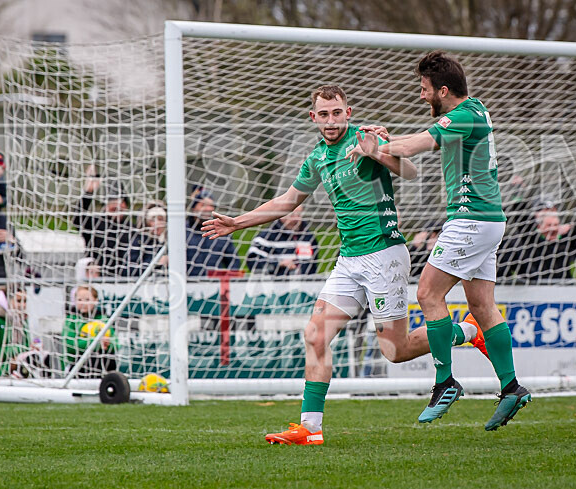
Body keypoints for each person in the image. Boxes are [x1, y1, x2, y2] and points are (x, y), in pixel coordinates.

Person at [203, 85, 487, 445]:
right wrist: (237, 222)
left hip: (384, 254)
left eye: (336, 113)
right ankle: (310, 428)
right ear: (313, 118)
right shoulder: (317, 157)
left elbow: (411, 171)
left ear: (348, 112)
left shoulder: (366, 139)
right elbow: (289, 200)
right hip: (349, 260)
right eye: (323, 114)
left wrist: (379, 152)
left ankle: (466, 331)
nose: (331, 120)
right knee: (315, 334)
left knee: (394, 351)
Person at [356, 51, 530, 430]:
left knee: (428, 295)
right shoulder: (476, 109)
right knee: (482, 306)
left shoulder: (463, 115)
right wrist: (386, 139)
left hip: (471, 220)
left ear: (444, 90)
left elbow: (415, 146)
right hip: (489, 221)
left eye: (425, 89)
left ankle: (444, 382)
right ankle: (512, 387)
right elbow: (412, 139)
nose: (422, 96)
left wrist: (376, 147)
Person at [74, 166, 133, 277]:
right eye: (112, 205)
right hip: (98, 277)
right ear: (105, 206)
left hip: (125, 278)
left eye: (120, 204)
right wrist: (88, 192)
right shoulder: (95, 224)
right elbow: (78, 218)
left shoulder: (132, 228)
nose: (116, 207)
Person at [246, 205, 319, 276]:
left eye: (299, 214)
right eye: (292, 215)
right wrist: (279, 264)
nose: (296, 219)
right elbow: (253, 264)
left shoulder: (308, 237)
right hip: (273, 285)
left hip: (305, 285)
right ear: (281, 215)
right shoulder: (265, 237)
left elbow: (313, 266)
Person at [63, 285, 117, 377]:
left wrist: (108, 343)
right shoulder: (71, 320)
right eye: (79, 300)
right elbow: (70, 345)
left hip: (103, 365)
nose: (83, 303)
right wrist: (96, 342)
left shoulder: (104, 320)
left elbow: (116, 343)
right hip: (79, 365)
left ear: (96, 300)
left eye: (87, 300)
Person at [187, 187, 240, 277]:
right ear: (193, 208)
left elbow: (233, 262)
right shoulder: (182, 231)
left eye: (211, 205)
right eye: (203, 205)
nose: (208, 209)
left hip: (214, 285)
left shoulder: (222, 232)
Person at [129, 201, 169, 277]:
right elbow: (129, 270)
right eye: (153, 220)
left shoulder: (171, 241)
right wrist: (156, 263)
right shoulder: (138, 241)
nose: (157, 223)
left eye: (160, 219)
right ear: (146, 222)